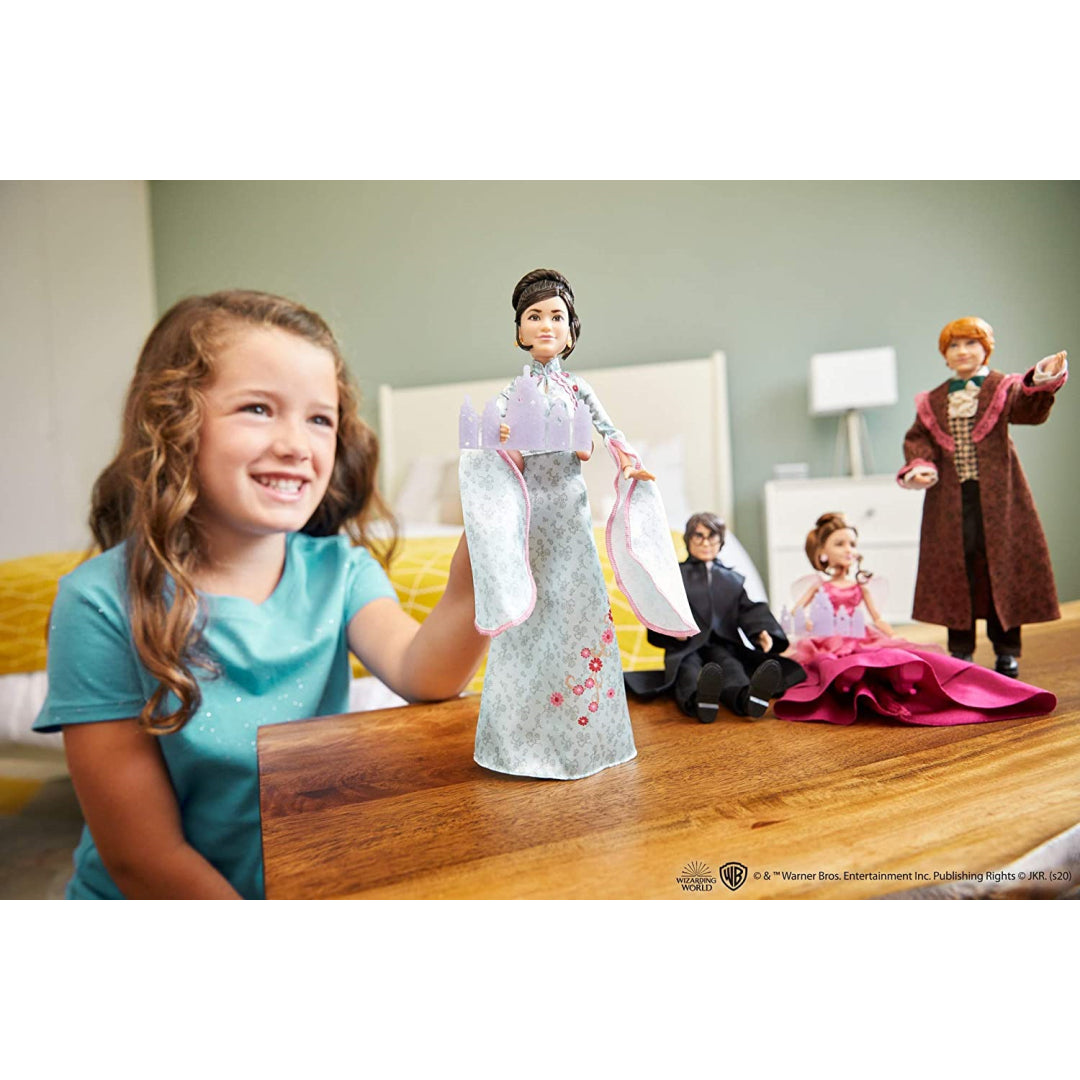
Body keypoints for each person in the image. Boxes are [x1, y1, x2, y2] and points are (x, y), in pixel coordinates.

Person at [34, 290, 487, 899]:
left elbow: (423, 672)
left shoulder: (340, 572)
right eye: (257, 409)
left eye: (320, 419)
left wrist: (478, 578)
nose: (297, 445)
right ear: (172, 423)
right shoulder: (98, 602)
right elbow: (143, 859)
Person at [458, 269, 696, 779]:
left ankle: (587, 743)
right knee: (529, 620)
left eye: (556, 316)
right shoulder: (512, 393)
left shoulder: (578, 388)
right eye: (534, 316)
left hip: (568, 516)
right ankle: (519, 743)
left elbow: (611, 433)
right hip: (530, 520)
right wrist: (501, 443)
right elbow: (491, 448)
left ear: (571, 330)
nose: (545, 325)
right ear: (520, 332)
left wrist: (630, 464)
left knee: (577, 612)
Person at [898, 317, 1067, 677]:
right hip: (950, 501)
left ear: (986, 349)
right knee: (957, 569)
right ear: (945, 355)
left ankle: (1007, 650)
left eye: (971, 343)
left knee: (1000, 568)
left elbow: (1029, 411)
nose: (962, 352)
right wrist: (921, 465)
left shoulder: (1002, 388)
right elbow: (918, 438)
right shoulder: (934, 399)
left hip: (1000, 497)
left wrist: (1042, 378)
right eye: (954, 346)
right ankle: (960, 649)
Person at [772, 513, 1056, 726]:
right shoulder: (819, 585)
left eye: (852, 543)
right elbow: (798, 610)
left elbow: (876, 616)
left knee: (889, 656)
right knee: (831, 664)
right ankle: (845, 685)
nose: (849, 549)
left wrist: (890, 634)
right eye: (840, 543)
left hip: (859, 634)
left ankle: (897, 682)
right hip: (828, 638)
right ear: (822, 552)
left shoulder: (860, 585)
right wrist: (805, 623)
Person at [625, 512, 804, 721]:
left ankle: (746, 699)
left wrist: (761, 631)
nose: (705, 543)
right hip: (688, 645)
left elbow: (747, 609)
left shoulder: (732, 579)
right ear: (688, 540)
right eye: (698, 536)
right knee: (688, 670)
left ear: (721, 541)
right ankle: (698, 701)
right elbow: (662, 608)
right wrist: (673, 630)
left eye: (712, 537)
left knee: (731, 666)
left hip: (721, 642)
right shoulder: (674, 576)